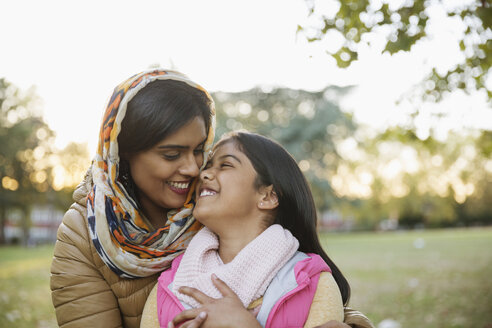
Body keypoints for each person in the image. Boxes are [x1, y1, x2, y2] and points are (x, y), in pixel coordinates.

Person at [50, 69, 373, 328]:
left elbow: (298, 288)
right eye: (172, 154)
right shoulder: (84, 235)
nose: (194, 169)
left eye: (199, 150)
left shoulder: (213, 209)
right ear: (126, 154)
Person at [140, 131, 374, 328]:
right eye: (209, 166)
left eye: (226, 165)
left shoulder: (311, 283)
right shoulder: (169, 286)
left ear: (267, 196)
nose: (203, 173)